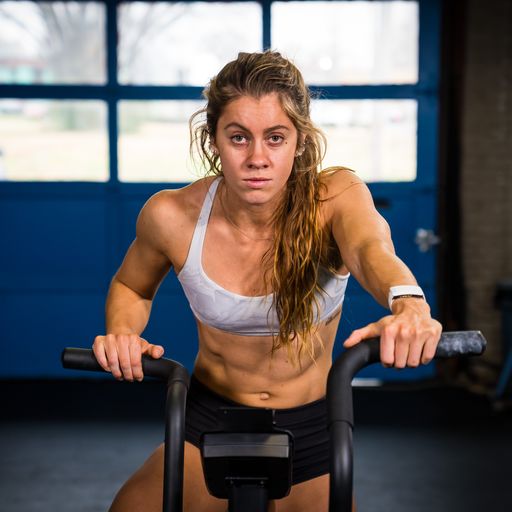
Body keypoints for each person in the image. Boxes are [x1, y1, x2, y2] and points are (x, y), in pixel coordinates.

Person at [92, 51, 442, 512]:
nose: (257, 158)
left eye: (275, 138)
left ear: (299, 141)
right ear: (213, 140)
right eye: (239, 137)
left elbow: (371, 251)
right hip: (206, 424)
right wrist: (123, 333)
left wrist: (409, 305)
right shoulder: (171, 215)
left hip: (313, 433)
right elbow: (132, 287)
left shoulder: (335, 198)